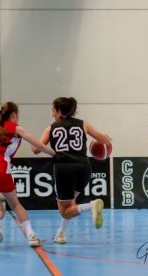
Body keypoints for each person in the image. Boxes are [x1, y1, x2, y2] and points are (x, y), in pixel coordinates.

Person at [0, 102, 55, 247]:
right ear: (13, 115)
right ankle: (31, 235)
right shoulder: (15, 128)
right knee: (16, 205)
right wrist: (56, 155)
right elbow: (39, 145)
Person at [32, 97, 111, 244]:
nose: (51, 113)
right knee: (71, 204)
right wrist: (105, 138)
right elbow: (105, 141)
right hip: (84, 167)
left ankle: (92, 205)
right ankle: (61, 233)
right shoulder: (84, 125)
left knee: (65, 211)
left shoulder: (51, 128)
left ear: (59, 111)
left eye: (53, 110)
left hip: (64, 168)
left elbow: (36, 149)